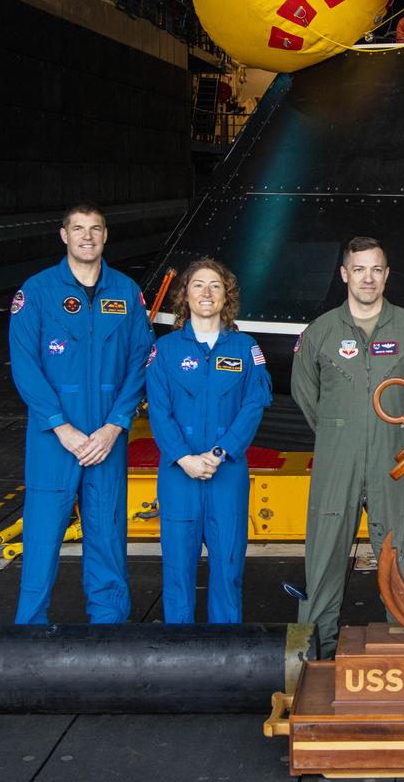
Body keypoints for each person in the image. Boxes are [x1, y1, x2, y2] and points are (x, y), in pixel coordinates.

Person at [291, 236, 404, 657]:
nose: (368, 278)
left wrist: (388, 434)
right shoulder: (320, 333)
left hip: (393, 459)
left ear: (387, 275)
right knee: (323, 556)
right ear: (344, 274)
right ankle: (316, 653)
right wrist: (343, 431)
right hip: (338, 459)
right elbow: (306, 394)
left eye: (376, 269)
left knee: (401, 555)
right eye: (359, 269)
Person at [8, 203, 153, 624]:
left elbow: (140, 361)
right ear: (64, 235)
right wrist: (60, 426)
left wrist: (115, 425)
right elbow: (25, 366)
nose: (87, 236)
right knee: (42, 534)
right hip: (53, 439)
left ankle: (109, 631)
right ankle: (29, 629)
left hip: (106, 437)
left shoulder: (126, 292)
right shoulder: (36, 292)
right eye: (78, 228)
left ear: (106, 236)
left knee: (107, 534)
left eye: (95, 229)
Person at [146, 258, 273, 623]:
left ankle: (227, 651)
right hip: (178, 474)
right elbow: (158, 409)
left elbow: (253, 406)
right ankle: (176, 652)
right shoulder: (166, 350)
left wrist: (219, 453)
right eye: (198, 284)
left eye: (215, 285)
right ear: (185, 295)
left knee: (228, 568)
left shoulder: (246, 349)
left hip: (227, 473)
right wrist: (184, 458)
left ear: (226, 296)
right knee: (177, 571)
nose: (206, 292)